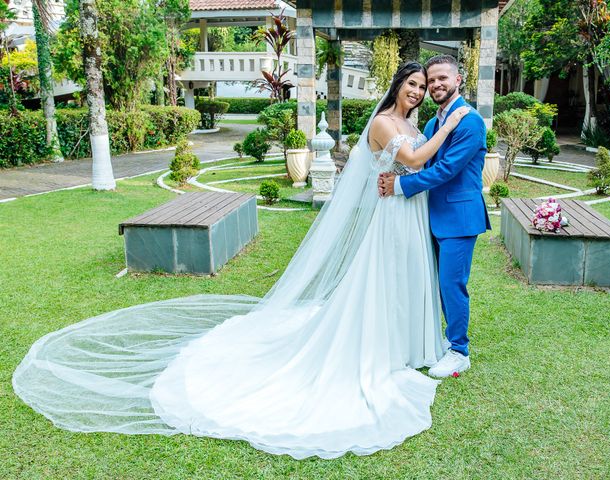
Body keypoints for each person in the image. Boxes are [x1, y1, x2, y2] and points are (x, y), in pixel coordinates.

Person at [13, 62, 467, 460]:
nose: (418, 91)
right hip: (392, 216)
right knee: (383, 278)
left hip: (410, 210)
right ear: (395, 87)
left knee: (410, 277)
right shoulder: (386, 123)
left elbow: (423, 165)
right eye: (412, 84)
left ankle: (410, 345)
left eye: (423, 86)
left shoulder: (418, 121)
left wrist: (436, 135)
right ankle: (378, 347)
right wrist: (450, 125)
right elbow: (413, 158)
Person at [378, 55, 492, 378]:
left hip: (459, 217)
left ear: (458, 80)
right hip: (429, 215)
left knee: (452, 284)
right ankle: (439, 339)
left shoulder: (469, 121)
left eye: (443, 78)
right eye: (432, 80)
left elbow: (445, 170)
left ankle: (459, 351)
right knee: (435, 284)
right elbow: (418, 160)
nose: (436, 84)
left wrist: (400, 185)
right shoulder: (430, 124)